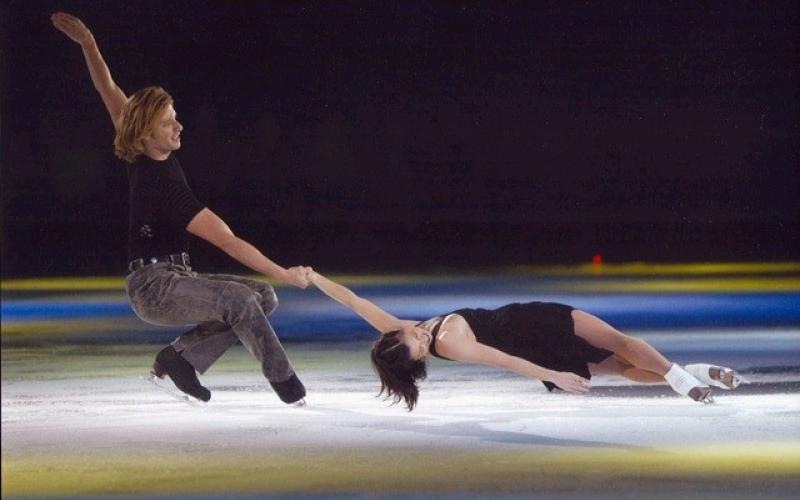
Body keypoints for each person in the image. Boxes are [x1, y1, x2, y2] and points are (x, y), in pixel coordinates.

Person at [51, 12, 309, 405]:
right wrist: (285, 274)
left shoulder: (141, 150)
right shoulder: (163, 185)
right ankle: (287, 384)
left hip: (175, 276)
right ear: (147, 132)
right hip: (153, 287)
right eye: (170, 123)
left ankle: (178, 359)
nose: (180, 127)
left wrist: (88, 42)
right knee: (239, 300)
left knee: (262, 297)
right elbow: (229, 242)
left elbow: (108, 86)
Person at [306, 270, 743, 410]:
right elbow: (504, 360)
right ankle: (688, 375)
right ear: (421, 356)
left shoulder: (401, 328)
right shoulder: (451, 343)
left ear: (396, 331)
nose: (421, 337)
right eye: (421, 348)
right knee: (621, 356)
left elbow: (353, 300)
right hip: (536, 335)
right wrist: (553, 373)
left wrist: (314, 277)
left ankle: (691, 377)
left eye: (413, 335)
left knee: (619, 351)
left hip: (536, 332)